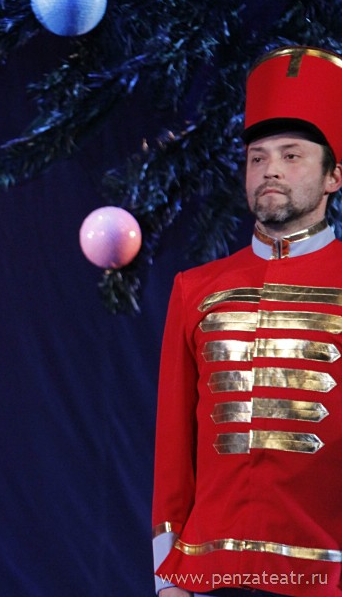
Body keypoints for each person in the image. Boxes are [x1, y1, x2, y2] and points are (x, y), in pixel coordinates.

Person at [152, 45, 342, 597]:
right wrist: (167, 577)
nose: (270, 170)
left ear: (333, 177)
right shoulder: (195, 287)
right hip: (209, 575)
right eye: (257, 158)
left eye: (292, 155)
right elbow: (173, 445)